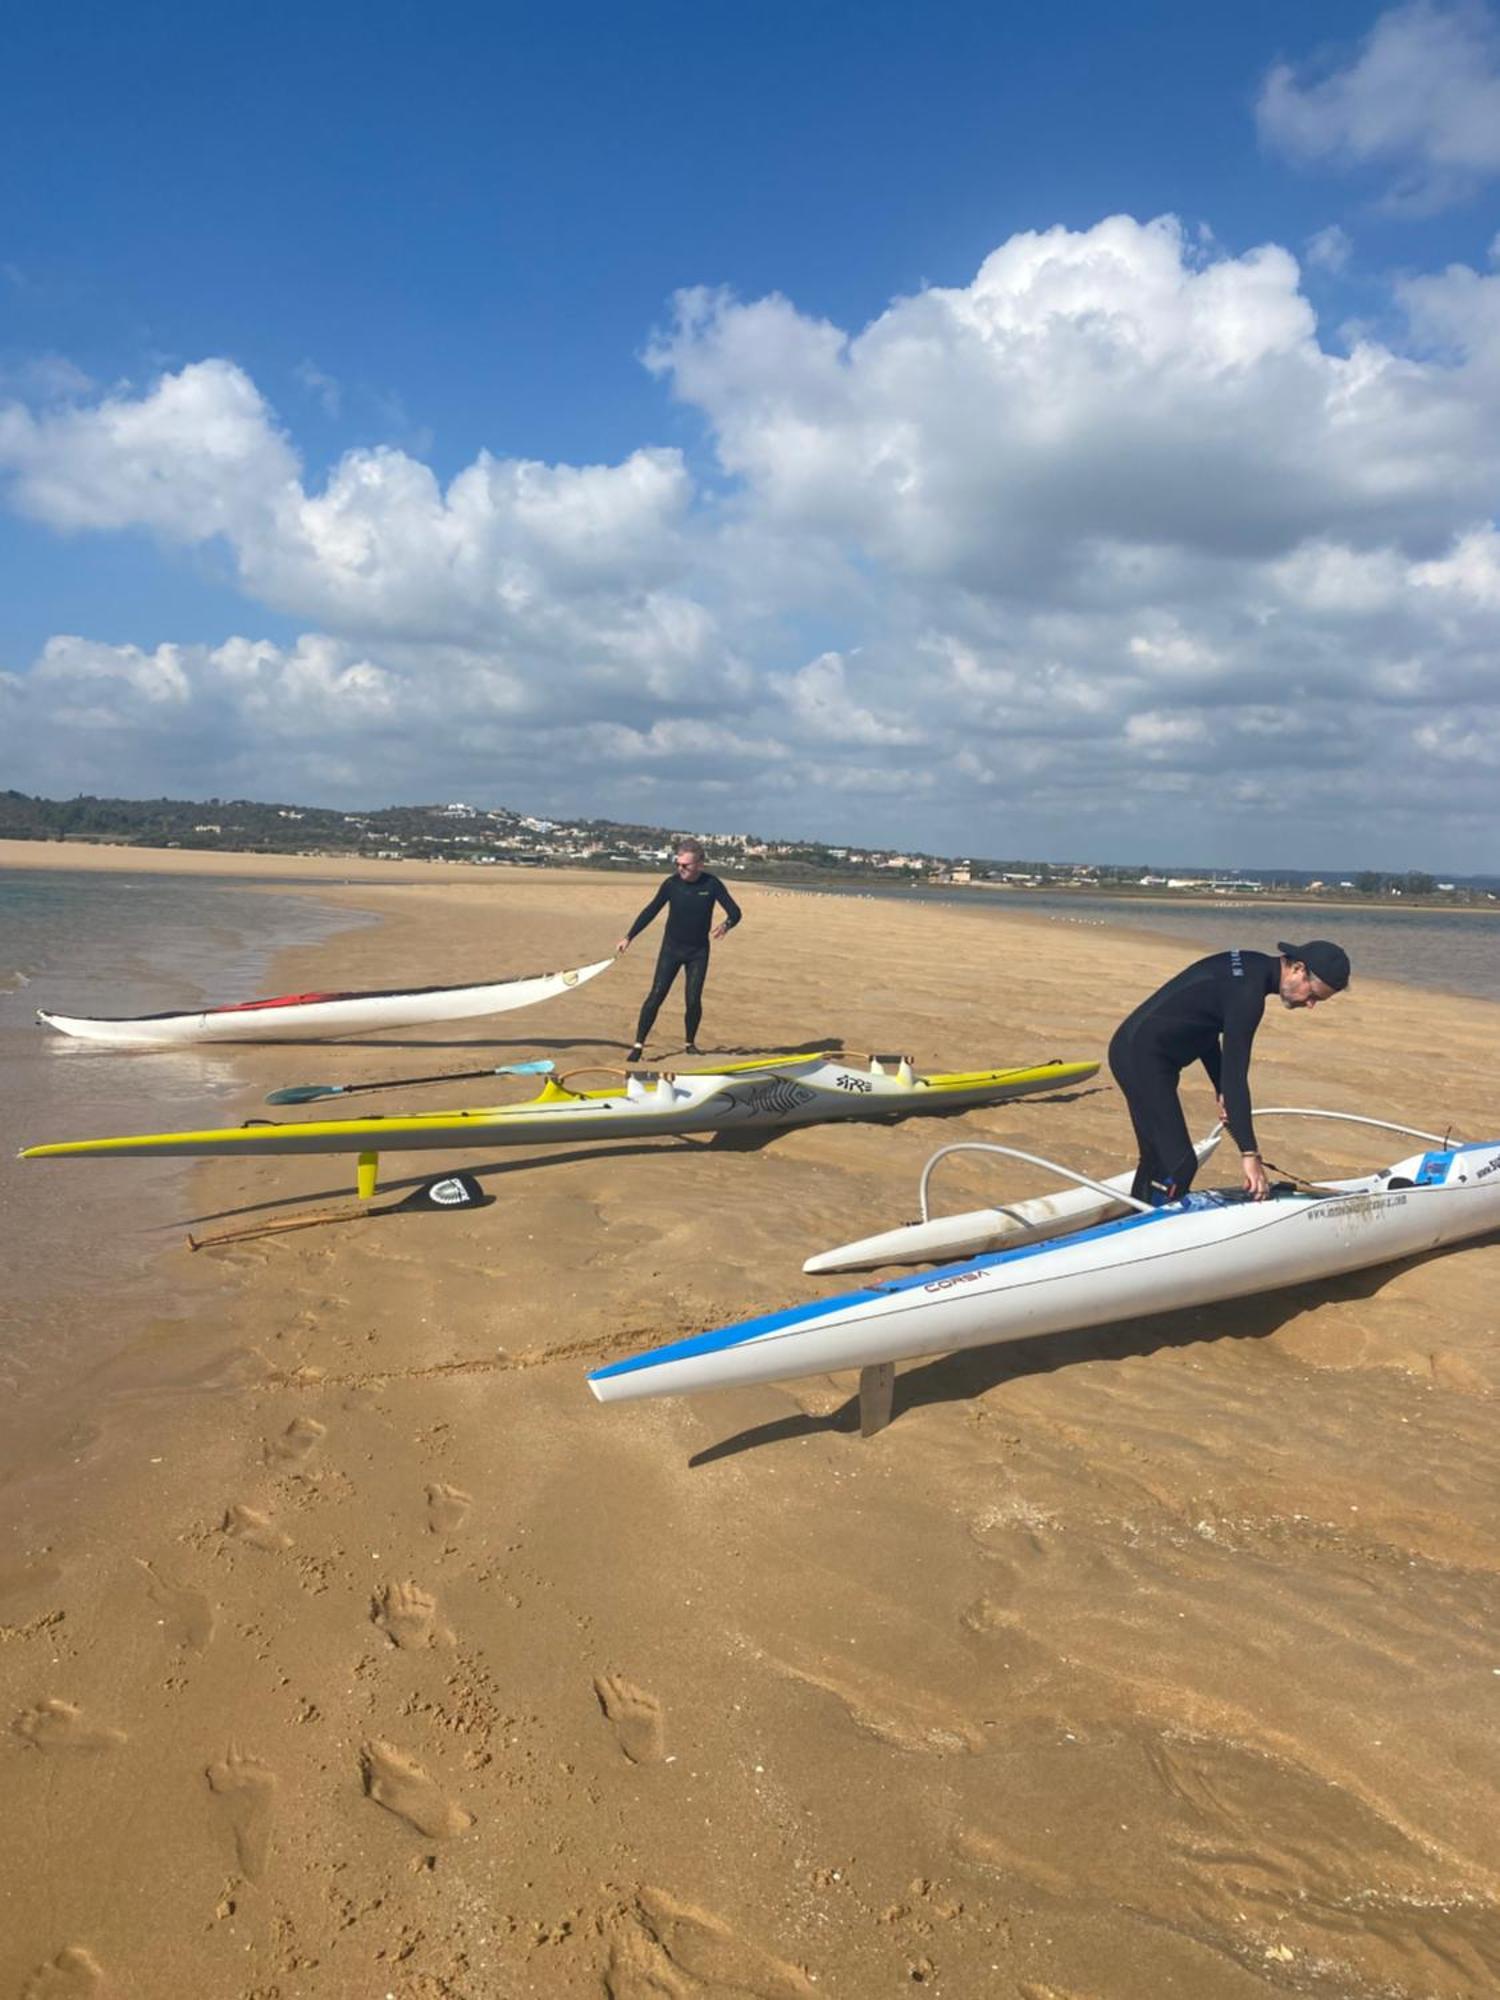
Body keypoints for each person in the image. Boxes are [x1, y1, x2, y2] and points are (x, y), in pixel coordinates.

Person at [1108, 939, 1350, 1206]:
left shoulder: (1250, 966)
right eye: (1313, 995)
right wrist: (1249, 1153)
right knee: (1180, 1164)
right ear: (1298, 969)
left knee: (1158, 1157)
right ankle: (1152, 1231)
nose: (1311, 1004)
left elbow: (1203, 1025)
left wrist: (1219, 1085)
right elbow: (1236, 1076)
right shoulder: (1247, 994)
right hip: (1143, 1058)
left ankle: (1137, 1216)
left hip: (1134, 1049)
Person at [617, 840, 742, 1063]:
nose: (680, 869)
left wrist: (726, 925)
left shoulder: (712, 884)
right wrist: (629, 936)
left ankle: (689, 1044)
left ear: (700, 864)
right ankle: (638, 1045)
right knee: (656, 995)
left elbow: (735, 912)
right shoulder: (671, 884)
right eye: (678, 864)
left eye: (686, 865)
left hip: (698, 952)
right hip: (671, 950)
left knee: (693, 999)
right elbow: (651, 910)